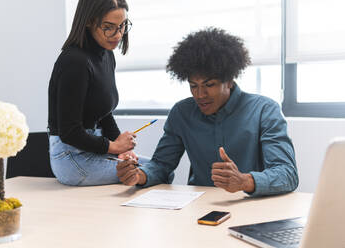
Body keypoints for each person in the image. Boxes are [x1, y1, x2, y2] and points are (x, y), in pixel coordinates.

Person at [116, 27, 299, 196]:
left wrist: (244, 181)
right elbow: (162, 165)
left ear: (229, 80)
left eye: (209, 85)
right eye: (193, 86)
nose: (200, 95)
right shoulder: (182, 113)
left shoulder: (264, 110)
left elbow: (287, 174)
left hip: (251, 205)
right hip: (198, 207)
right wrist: (139, 175)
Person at [48, 0, 147, 186]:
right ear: (88, 21)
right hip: (70, 157)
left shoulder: (106, 55)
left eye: (122, 26)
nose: (117, 35)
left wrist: (120, 149)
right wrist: (114, 146)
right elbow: (69, 132)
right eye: (109, 27)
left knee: (156, 170)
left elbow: (103, 113)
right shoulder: (74, 62)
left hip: (93, 149)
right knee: (149, 172)